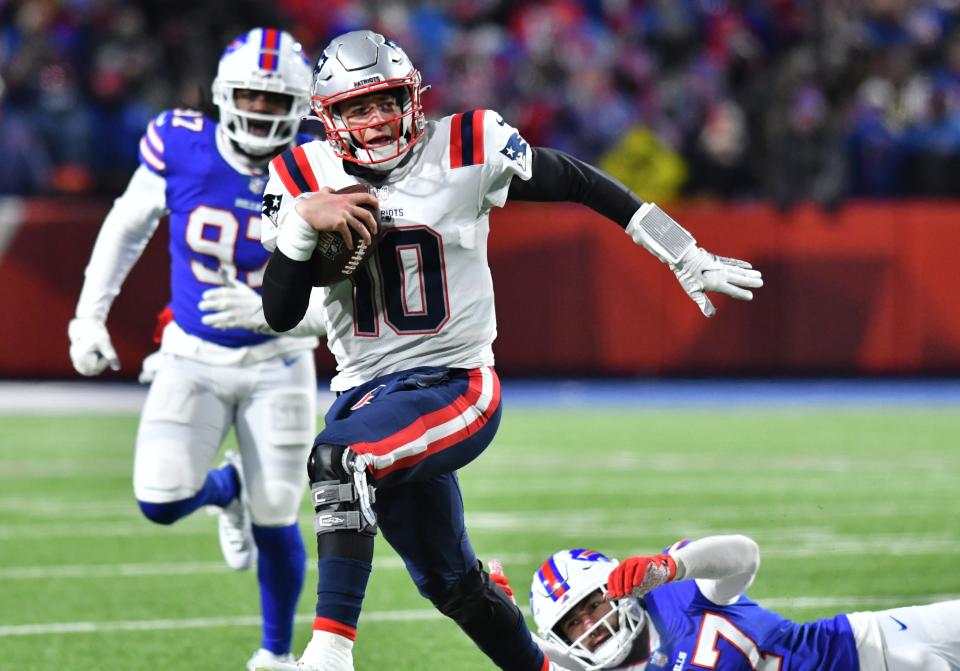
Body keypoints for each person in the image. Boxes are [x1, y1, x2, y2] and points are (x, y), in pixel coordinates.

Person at [254, 30, 763, 671]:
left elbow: (578, 180)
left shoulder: (466, 146)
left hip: (454, 383)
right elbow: (280, 312)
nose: (379, 118)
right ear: (329, 117)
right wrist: (301, 226)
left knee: (339, 459)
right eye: (360, 107)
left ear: (412, 97)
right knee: (455, 587)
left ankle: (328, 655)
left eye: (388, 100)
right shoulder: (299, 177)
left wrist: (681, 249)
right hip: (366, 393)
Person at [67, 28, 326, 671]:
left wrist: (281, 319)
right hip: (191, 353)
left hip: (279, 363)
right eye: (250, 97)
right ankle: (224, 487)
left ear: (301, 106)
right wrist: (86, 318)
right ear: (221, 96)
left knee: (276, 516)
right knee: (159, 498)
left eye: (276, 101)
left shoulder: (324, 167)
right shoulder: (180, 144)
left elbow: (355, 299)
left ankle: (276, 654)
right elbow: (125, 227)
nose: (262, 112)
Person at [514, 534, 960, 670]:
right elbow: (526, 654)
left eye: (591, 605)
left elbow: (743, 555)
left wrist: (674, 565)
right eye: (572, 623)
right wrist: (495, 613)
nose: (590, 625)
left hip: (867, 645)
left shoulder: (675, 595)